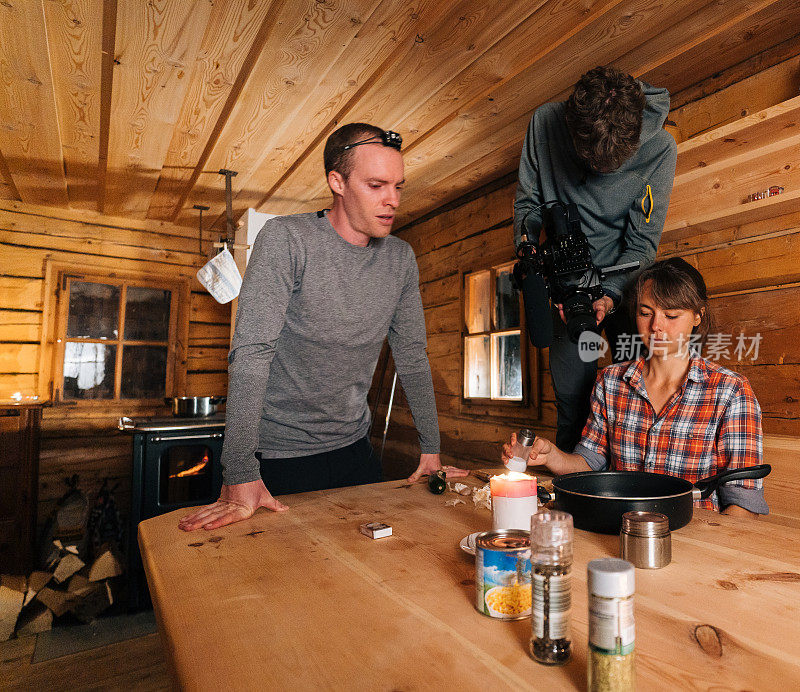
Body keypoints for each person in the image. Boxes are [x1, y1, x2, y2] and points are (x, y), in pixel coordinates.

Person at [180, 123, 467, 532]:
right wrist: (239, 469)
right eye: (376, 185)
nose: (392, 200)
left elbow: (413, 357)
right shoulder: (287, 239)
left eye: (398, 187)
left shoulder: (400, 259)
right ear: (337, 181)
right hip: (278, 459)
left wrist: (431, 449)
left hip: (355, 450)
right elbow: (251, 354)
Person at [502, 258, 768, 517]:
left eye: (672, 315)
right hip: (618, 531)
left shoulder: (731, 391)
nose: (656, 327)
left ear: (698, 316)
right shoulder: (611, 381)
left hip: (696, 543)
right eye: (645, 313)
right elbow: (590, 462)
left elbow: (742, 502)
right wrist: (550, 455)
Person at [514, 66, 678, 453]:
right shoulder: (545, 124)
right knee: (573, 399)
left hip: (625, 290)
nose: (598, 172)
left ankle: (634, 486)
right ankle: (574, 493)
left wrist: (609, 293)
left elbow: (642, 244)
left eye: (613, 164)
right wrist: (536, 262)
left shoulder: (661, 151)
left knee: (637, 394)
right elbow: (528, 205)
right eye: (589, 161)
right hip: (566, 292)